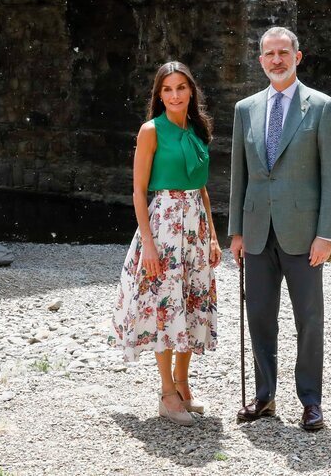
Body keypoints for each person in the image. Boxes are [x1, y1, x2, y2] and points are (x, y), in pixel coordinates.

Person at [229, 26, 331, 432]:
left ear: (298, 56)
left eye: (283, 52)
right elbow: (238, 176)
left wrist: (327, 233)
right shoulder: (246, 108)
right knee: (260, 316)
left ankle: (310, 401)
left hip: (304, 234)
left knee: (309, 320)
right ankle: (264, 397)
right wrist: (237, 231)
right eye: (268, 54)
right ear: (260, 60)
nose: (276, 60)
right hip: (257, 232)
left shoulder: (322, 107)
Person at [109, 61, 221, 427]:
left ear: (191, 91)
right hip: (165, 225)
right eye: (167, 90)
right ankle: (166, 393)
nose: (175, 95)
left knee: (190, 302)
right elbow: (139, 192)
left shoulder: (198, 128)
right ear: (159, 95)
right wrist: (150, 245)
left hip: (197, 228)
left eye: (181, 88)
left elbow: (202, 188)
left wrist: (214, 237)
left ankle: (185, 388)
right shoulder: (150, 131)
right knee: (165, 305)